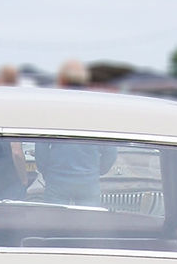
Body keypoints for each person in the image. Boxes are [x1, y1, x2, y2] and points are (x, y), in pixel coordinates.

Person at [33, 60, 116, 205]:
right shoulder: (98, 112)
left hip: (57, 179)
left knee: (54, 223)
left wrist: (48, 172)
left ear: (62, 81)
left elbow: (41, 148)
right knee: (88, 224)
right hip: (88, 181)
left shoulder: (53, 111)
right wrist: (96, 171)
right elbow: (110, 151)